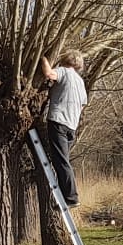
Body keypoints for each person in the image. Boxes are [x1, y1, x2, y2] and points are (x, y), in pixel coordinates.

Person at [41, 50, 88, 207]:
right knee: (62, 160)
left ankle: (71, 197)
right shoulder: (80, 82)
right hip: (71, 126)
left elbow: (49, 74)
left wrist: (43, 57)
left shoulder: (64, 72)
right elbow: (82, 105)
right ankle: (64, 196)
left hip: (58, 121)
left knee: (61, 161)